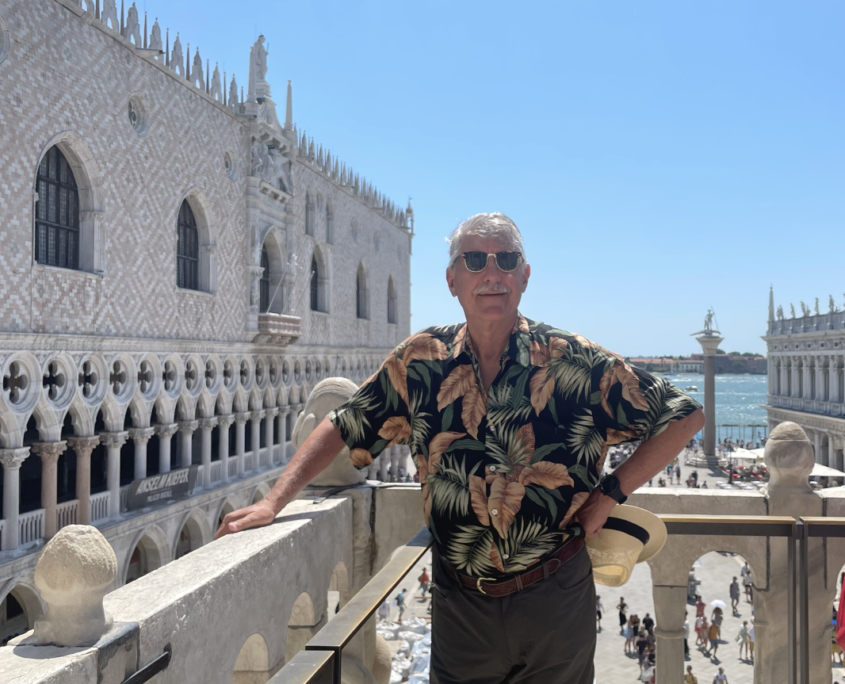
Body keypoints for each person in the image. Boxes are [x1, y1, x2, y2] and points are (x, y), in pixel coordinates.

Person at [214, 213, 705, 684]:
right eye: (474, 260)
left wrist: (611, 493)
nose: (492, 273)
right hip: (461, 607)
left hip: (555, 595)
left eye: (506, 260)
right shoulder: (421, 361)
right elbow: (344, 423)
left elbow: (684, 416)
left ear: (524, 276)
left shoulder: (573, 360)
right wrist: (274, 501)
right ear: (452, 280)